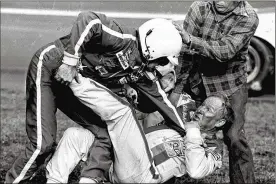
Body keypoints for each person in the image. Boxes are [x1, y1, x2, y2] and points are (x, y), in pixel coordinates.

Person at [5, 11, 185, 183]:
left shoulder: (143, 72)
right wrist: (70, 60)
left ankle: (89, 179)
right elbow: (89, 20)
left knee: (106, 134)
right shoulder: (124, 39)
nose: (161, 67)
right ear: (152, 48)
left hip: (71, 87)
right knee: (42, 145)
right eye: (163, 61)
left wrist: (189, 135)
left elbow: (164, 105)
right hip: (50, 67)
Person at [45, 92, 233, 183]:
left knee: (123, 114)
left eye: (209, 110)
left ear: (219, 122)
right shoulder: (183, 113)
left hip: (144, 174)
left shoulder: (213, 148)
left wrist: (192, 133)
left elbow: (196, 171)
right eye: (203, 105)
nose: (201, 110)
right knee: (75, 135)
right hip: (120, 160)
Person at [170, 1, 259, 183]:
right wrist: (177, 89)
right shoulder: (199, 7)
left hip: (229, 83)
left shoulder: (249, 17)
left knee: (234, 137)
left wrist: (191, 40)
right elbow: (185, 52)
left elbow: (226, 51)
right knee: (176, 126)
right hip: (196, 80)